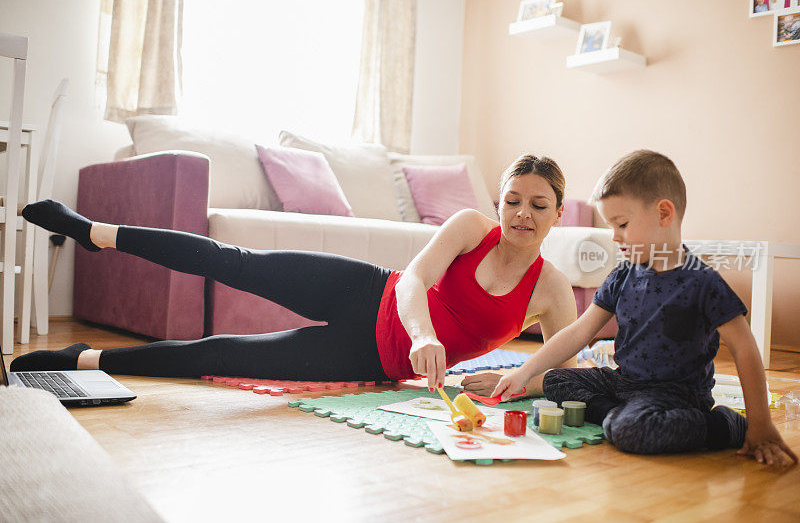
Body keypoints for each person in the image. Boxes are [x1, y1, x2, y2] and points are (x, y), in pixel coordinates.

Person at [12, 155, 578, 393]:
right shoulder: (471, 227)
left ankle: (83, 359)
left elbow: (565, 373)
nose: (522, 214)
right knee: (230, 261)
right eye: (512, 200)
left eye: (538, 204)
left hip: (367, 359)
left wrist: (516, 379)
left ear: (558, 213)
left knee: (219, 355)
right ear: (499, 203)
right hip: (366, 288)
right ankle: (94, 232)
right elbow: (413, 280)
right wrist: (425, 334)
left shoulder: (551, 290)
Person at [491, 150, 798, 466]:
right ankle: (619, 418)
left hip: (676, 397)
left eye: (621, 224)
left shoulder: (701, 282)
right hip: (625, 384)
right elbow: (579, 332)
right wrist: (524, 372)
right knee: (555, 380)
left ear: (664, 214)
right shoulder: (624, 274)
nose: (614, 236)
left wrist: (761, 425)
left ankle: (724, 425)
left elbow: (745, 348)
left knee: (631, 430)